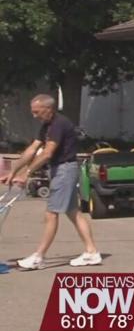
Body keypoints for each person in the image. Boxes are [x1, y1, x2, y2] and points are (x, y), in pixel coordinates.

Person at [0, 94, 101, 269]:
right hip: (60, 170)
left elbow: (47, 153)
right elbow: (32, 149)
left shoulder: (59, 124)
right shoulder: (47, 125)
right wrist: (14, 171)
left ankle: (39, 257)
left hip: (65, 170)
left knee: (51, 214)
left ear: (49, 109)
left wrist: (28, 173)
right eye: (33, 112)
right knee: (73, 213)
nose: (34, 116)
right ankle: (92, 253)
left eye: (37, 112)